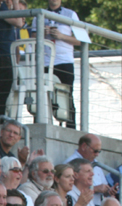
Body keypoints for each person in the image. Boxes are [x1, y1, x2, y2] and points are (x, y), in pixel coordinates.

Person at [30, 0, 80, 128]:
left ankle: (70, 129)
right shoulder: (39, 15)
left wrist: (61, 35)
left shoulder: (70, 14)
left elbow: (80, 40)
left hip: (64, 61)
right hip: (45, 62)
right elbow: (32, 40)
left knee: (66, 95)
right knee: (42, 96)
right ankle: (39, 125)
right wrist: (43, 32)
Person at [65, 135, 114, 206]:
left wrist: (108, 190)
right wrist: (95, 189)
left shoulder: (96, 164)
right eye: (95, 151)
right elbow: (67, 188)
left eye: (99, 151)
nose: (97, 154)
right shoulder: (70, 163)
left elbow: (103, 185)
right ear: (84, 146)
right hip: (78, 205)